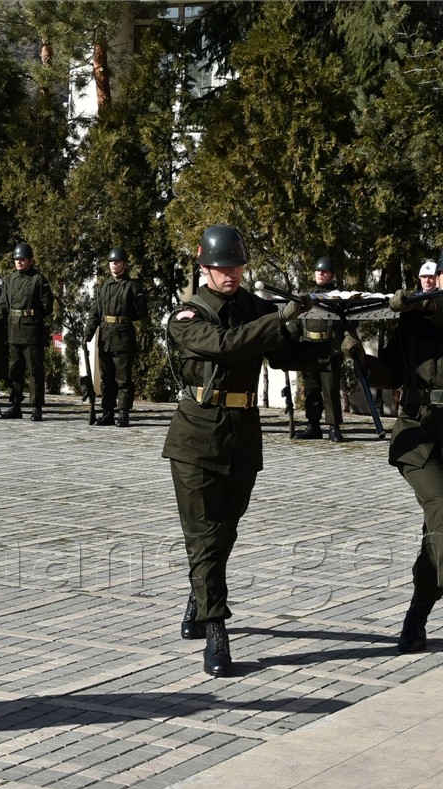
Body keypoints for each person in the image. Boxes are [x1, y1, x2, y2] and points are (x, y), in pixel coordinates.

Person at [163, 225, 315, 677]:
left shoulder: (254, 307)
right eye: (222, 267)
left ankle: (200, 593)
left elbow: (287, 355)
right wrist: (279, 319)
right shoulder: (186, 315)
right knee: (204, 536)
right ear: (204, 267)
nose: (231, 274)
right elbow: (225, 347)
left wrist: (331, 341)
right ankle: (217, 630)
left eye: (237, 266)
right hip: (196, 437)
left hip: (242, 435)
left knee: (225, 532)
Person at [345, 239, 443, 654]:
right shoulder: (415, 323)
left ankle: (414, 621)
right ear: (439, 277)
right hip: (417, 433)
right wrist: (360, 359)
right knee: (440, 508)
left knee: (439, 533)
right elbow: (391, 373)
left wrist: (427, 304)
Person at [0, 243, 53, 421]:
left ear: (30, 261)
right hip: (14, 331)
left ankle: (36, 407)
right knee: (14, 370)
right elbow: (2, 307)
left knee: (35, 371)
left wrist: (32, 315)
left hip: (32, 331)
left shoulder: (38, 280)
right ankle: (15, 404)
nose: (19, 262)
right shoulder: (10, 280)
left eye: (22, 259)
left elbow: (47, 307)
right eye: (16, 259)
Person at [85, 247, 145, 427]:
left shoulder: (132, 286)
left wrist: (124, 320)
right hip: (105, 337)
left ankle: (124, 412)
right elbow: (95, 311)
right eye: (111, 262)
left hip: (123, 336)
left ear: (125, 265)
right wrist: (88, 333)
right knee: (106, 378)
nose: (114, 265)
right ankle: (108, 412)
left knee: (123, 379)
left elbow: (141, 311)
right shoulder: (103, 287)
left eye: (117, 262)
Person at [295, 255, 350, 443]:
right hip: (309, 348)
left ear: (331, 275)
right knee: (311, 389)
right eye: (318, 271)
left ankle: (334, 428)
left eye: (324, 271)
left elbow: (351, 321)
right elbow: (297, 320)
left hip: (330, 349)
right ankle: (313, 425)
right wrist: (290, 342)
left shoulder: (338, 297)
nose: (320, 274)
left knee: (330, 390)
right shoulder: (306, 295)